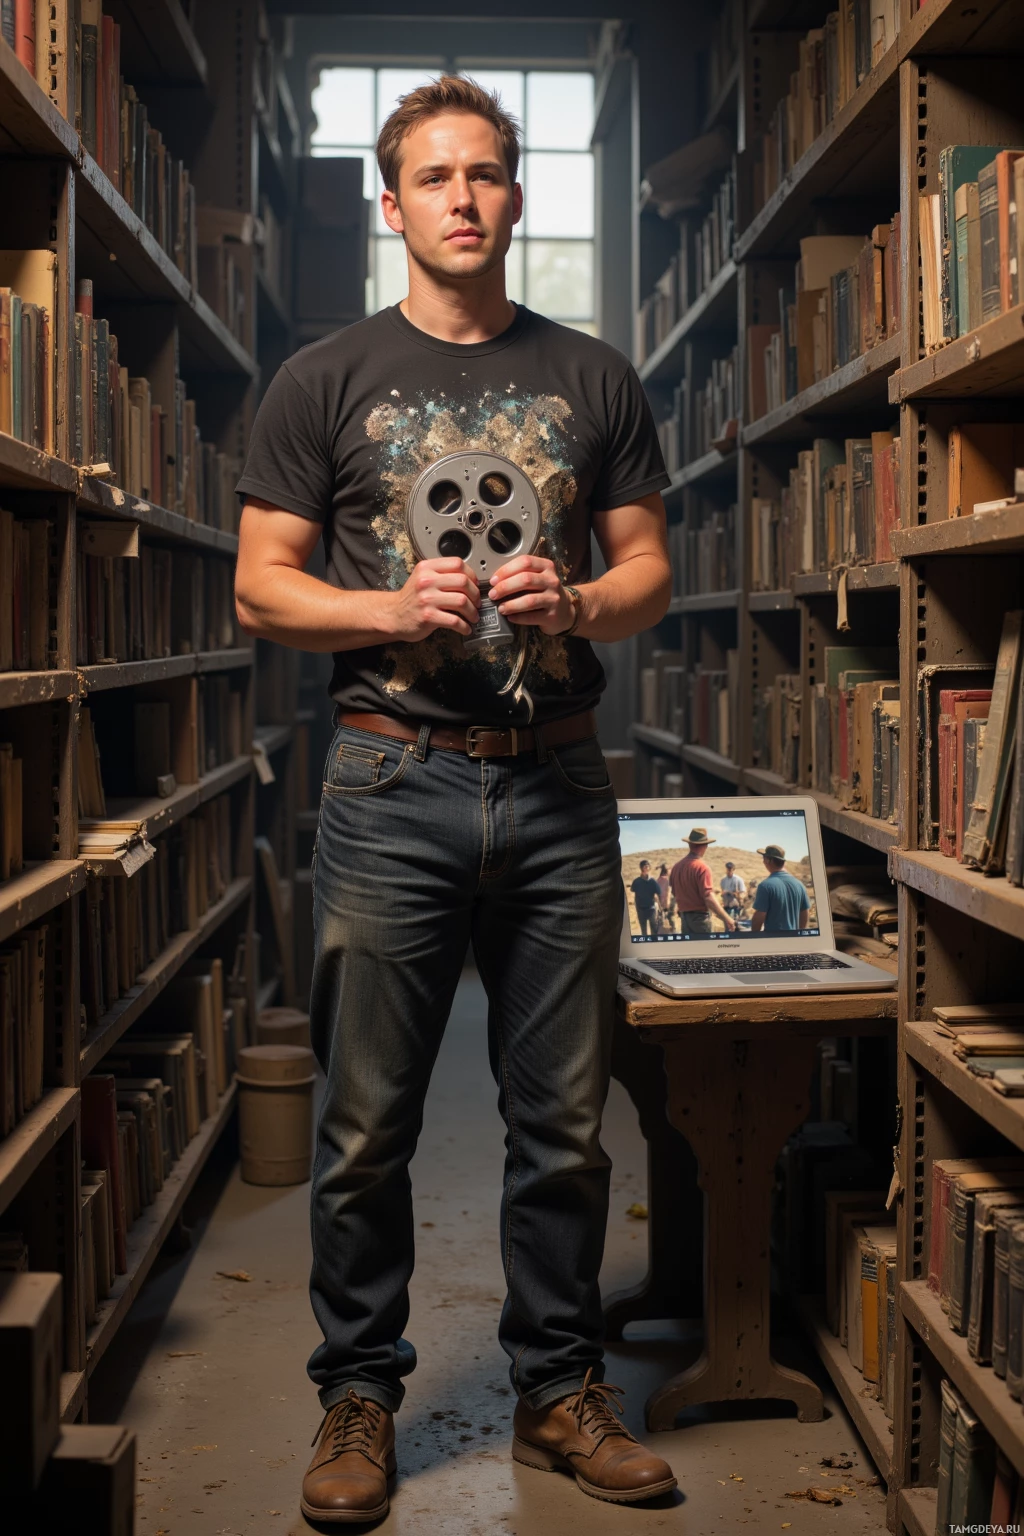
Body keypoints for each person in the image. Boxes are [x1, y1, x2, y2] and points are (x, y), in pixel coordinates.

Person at [233, 75, 677, 1522]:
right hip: (389, 781)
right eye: (435, 178)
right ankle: (358, 1399)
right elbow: (260, 584)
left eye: (486, 174)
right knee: (367, 1131)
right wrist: (381, 611)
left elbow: (650, 569)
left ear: (515, 194)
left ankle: (559, 1392)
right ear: (393, 203)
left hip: (556, 781)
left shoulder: (595, 375)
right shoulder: (323, 379)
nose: (465, 198)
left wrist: (586, 597)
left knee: (561, 1124)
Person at [668, 828, 736, 937]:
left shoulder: (676, 867)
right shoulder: (702, 867)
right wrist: (727, 918)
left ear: (690, 844)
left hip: (684, 918)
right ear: (705, 846)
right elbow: (708, 897)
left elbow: (675, 892)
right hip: (700, 919)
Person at [750, 844, 810, 934]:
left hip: (773, 942)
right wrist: (799, 935)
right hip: (794, 941)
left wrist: (754, 937)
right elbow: (804, 912)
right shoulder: (799, 884)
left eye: (764, 858)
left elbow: (759, 917)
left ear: (768, 860)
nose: (763, 861)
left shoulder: (765, 886)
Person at [630, 859, 661, 937]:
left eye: (648, 866)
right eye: (645, 866)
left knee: (654, 930)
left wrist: (660, 907)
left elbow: (659, 892)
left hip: (651, 908)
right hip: (640, 909)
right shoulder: (636, 881)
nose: (647, 868)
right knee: (644, 931)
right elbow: (633, 891)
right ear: (641, 868)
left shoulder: (653, 881)